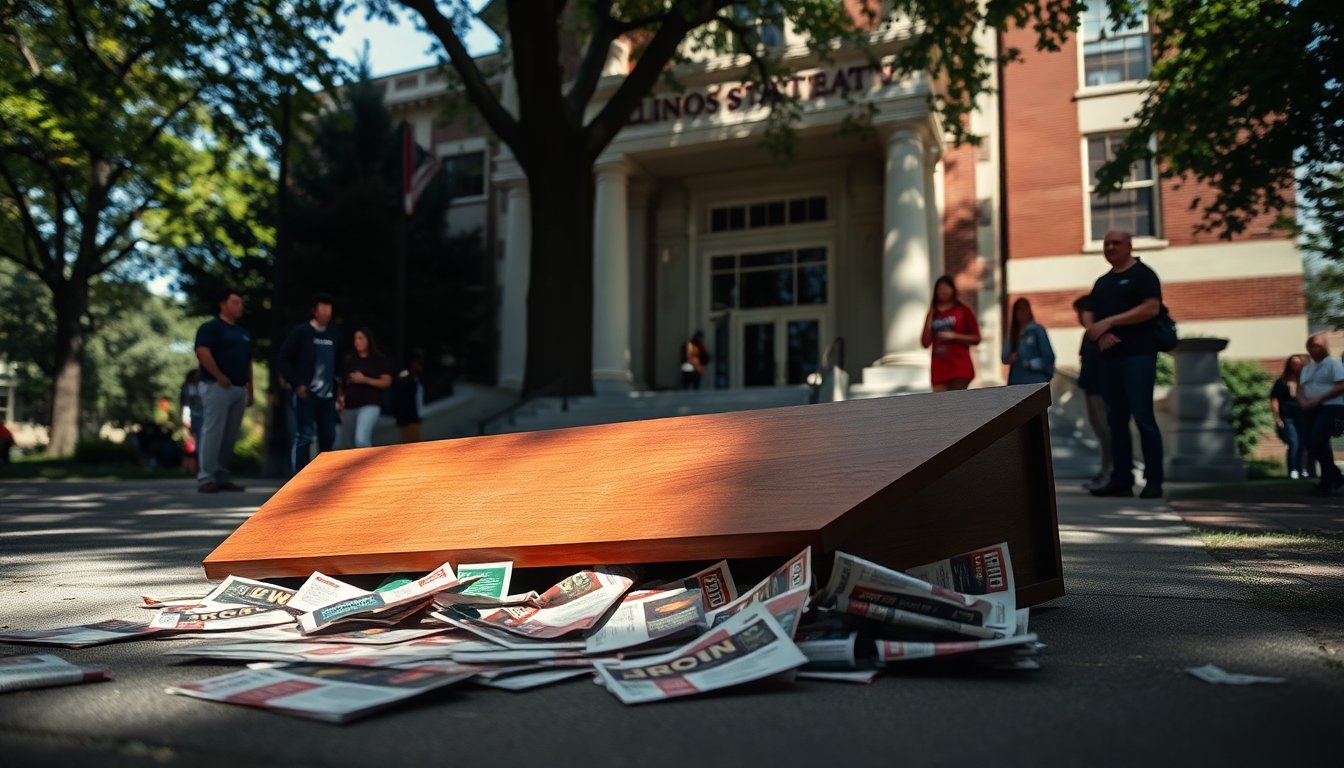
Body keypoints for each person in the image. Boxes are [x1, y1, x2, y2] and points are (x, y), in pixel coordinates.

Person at [1085, 229, 1165, 499]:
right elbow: (1090, 314)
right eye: (1106, 243)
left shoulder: (1143, 275)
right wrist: (1100, 331)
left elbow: (1151, 308)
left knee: (1143, 417)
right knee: (1115, 420)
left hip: (1139, 357)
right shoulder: (1102, 282)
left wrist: (1111, 322)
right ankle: (1121, 480)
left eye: (1116, 243)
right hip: (1108, 360)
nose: (1110, 247)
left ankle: (1154, 481)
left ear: (1130, 245)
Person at [194, 288, 252, 493]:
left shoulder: (244, 333)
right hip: (215, 387)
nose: (240, 307)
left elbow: (248, 362)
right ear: (223, 304)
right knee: (213, 432)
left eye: (241, 303)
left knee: (230, 436)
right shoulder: (211, 328)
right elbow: (202, 351)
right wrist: (219, 376)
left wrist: (250, 389)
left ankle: (221, 476)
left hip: (239, 389)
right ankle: (205, 478)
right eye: (235, 302)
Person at [279, 293, 343, 475]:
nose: (327, 313)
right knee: (304, 436)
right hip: (307, 393)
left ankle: (324, 478)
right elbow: (284, 359)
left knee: (328, 437)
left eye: (329, 309)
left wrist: (339, 390)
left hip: (328, 395)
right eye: (323, 309)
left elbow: (339, 365)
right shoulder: (301, 332)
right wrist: (297, 384)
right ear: (314, 311)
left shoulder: (334, 335)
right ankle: (299, 477)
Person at [1297, 333, 1344, 496]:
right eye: (1311, 346)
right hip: (1311, 409)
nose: (1314, 348)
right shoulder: (1307, 369)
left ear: (1325, 347)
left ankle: (1334, 477)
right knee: (1311, 444)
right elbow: (1300, 389)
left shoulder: (1333, 364)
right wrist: (1303, 401)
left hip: (1330, 407)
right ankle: (1329, 481)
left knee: (1317, 440)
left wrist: (1319, 398)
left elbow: (1341, 385)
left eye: (1317, 345)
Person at [1073, 296, 1112, 491]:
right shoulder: (1087, 336)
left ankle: (1109, 471)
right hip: (1090, 387)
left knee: (1106, 431)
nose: (1079, 317)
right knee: (1099, 429)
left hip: (1101, 388)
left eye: (1081, 312)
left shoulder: (1103, 335)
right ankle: (1105, 470)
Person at [921, 275, 981, 391]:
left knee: (956, 403)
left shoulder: (963, 310)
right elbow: (925, 343)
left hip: (959, 367)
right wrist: (929, 317)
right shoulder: (933, 314)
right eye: (940, 288)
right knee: (941, 406)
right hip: (939, 367)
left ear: (953, 290)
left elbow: (976, 338)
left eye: (946, 288)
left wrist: (954, 336)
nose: (943, 291)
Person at [341, 327, 392, 449]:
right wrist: (340, 398)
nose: (357, 342)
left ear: (368, 340)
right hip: (349, 407)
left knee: (361, 440)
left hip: (369, 405)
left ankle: (369, 467)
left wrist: (364, 379)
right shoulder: (349, 360)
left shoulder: (378, 359)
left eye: (360, 338)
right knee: (349, 445)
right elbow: (341, 382)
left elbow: (387, 382)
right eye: (355, 339)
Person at [1269, 355, 1307, 479]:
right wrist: (1278, 418)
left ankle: (1302, 469)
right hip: (1287, 416)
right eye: (1294, 364)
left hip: (1302, 416)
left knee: (1302, 443)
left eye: (1298, 364)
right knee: (1293, 442)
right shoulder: (1282, 382)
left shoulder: (1305, 381)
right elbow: (1274, 400)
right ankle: (1293, 470)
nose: (1296, 366)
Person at [1002, 298, 1055, 385]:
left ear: (1029, 310)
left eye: (1024, 309)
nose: (1021, 312)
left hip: (1035, 380)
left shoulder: (1037, 330)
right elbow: (1004, 358)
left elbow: (1048, 356)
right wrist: (1011, 357)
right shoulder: (1013, 333)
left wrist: (1031, 364)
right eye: (1018, 310)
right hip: (1016, 380)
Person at [391, 350, 425, 443]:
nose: (420, 366)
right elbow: (401, 398)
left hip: (414, 418)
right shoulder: (405, 377)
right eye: (418, 363)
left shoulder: (415, 378)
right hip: (408, 419)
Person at [180, 369, 202, 475]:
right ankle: (191, 469)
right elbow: (185, 402)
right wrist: (185, 416)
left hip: (202, 415)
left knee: (201, 443)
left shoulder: (202, 385)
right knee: (191, 445)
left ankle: (198, 468)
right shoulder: (188, 386)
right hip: (192, 416)